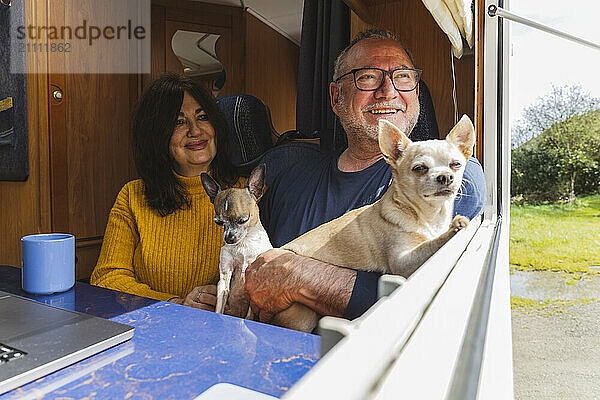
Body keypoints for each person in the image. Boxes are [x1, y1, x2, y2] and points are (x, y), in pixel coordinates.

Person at [245, 29, 487, 323]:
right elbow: (252, 261)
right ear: (336, 97)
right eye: (368, 77)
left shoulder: (458, 177)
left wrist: (299, 276)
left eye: (403, 77)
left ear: (417, 92)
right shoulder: (289, 172)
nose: (388, 92)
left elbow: (431, 296)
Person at [91, 73, 242, 310]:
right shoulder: (133, 196)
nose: (195, 130)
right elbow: (107, 278)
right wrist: (176, 304)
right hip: (152, 328)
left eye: (203, 117)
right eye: (178, 122)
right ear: (157, 136)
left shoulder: (250, 192)